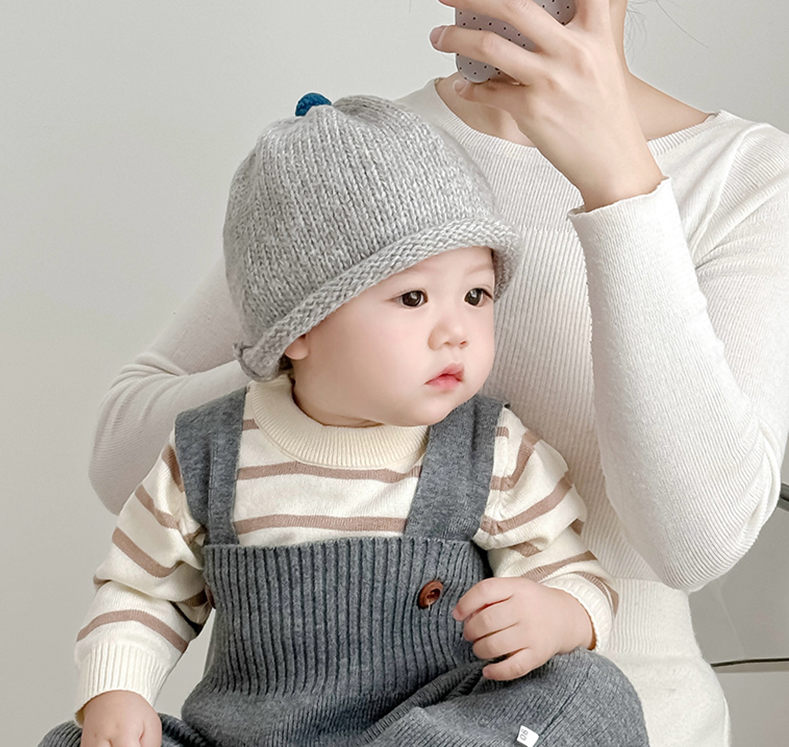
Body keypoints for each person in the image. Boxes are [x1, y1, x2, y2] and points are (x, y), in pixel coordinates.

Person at [86, 0, 789, 745]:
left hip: (569, 720)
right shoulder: (366, 160)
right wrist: (310, 339)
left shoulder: (744, 178)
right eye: (419, 296)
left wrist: (622, 187)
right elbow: (123, 459)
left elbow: (695, 544)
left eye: (473, 293)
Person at [39, 95, 647, 747]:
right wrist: (116, 692)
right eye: (412, 297)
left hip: (436, 730)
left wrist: (555, 615)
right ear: (299, 326)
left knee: (591, 691)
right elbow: (142, 592)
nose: (457, 333)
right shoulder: (211, 453)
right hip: (248, 738)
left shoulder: (492, 448)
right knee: (71, 744)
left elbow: (570, 570)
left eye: (476, 294)